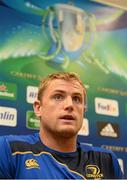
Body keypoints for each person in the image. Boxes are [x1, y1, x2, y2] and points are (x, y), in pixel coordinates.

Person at [0, 72, 124, 179]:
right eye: (58, 97)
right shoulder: (9, 150)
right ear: (38, 108)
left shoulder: (106, 160)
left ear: (83, 110)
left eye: (76, 99)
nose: (70, 105)